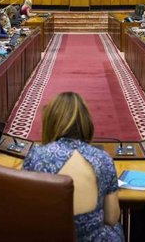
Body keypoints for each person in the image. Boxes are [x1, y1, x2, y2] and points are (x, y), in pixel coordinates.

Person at [23, 92, 123, 242]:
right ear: (86, 122)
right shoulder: (103, 159)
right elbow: (111, 217)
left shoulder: (36, 155)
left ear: (50, 122)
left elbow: (25, 208)